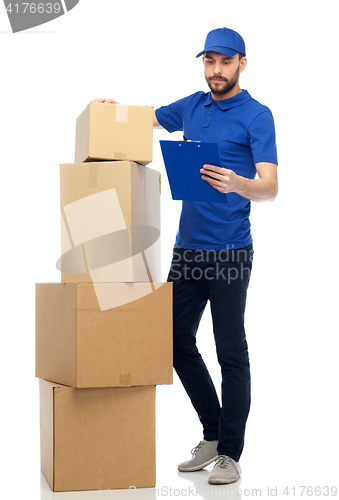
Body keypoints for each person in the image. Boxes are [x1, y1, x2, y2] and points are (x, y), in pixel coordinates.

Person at [95, 26, 278, 486]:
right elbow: (149, 119)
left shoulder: (257, 115)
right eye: (209, 61)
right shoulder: (193, 105)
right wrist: (115, 112)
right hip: (188, 249)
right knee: (173, 342)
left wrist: (237, 182)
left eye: (225, 62)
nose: (216, 71)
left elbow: (271, 186)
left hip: (231, 251)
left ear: (242, 64)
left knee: (230, 351)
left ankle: (230, 454)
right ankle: (213, 434)